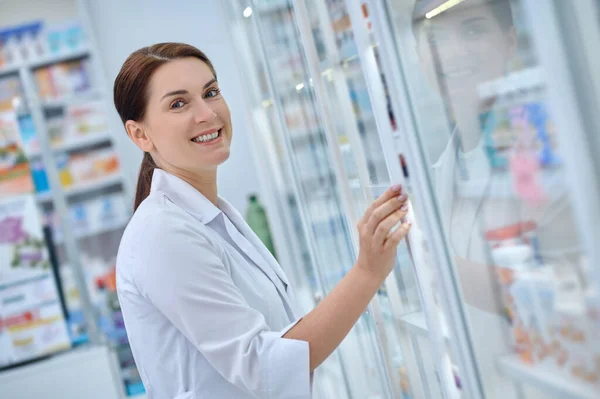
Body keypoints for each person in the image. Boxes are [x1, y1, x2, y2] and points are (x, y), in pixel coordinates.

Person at [114, 42, 412, 399]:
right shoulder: (161, 233)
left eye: (211, 92)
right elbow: (262, 365)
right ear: (139, 135)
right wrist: (367, 272)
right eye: (179, 103)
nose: (207, 113)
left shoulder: (210, 215)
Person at [411, 1, 583, 398]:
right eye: (435, 38)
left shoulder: (556, 144)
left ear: (510, 41)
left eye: (473, 30)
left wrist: (429, 263)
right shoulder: (439, 173)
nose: (453, 52)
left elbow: (571, 289)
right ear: (418, 58)